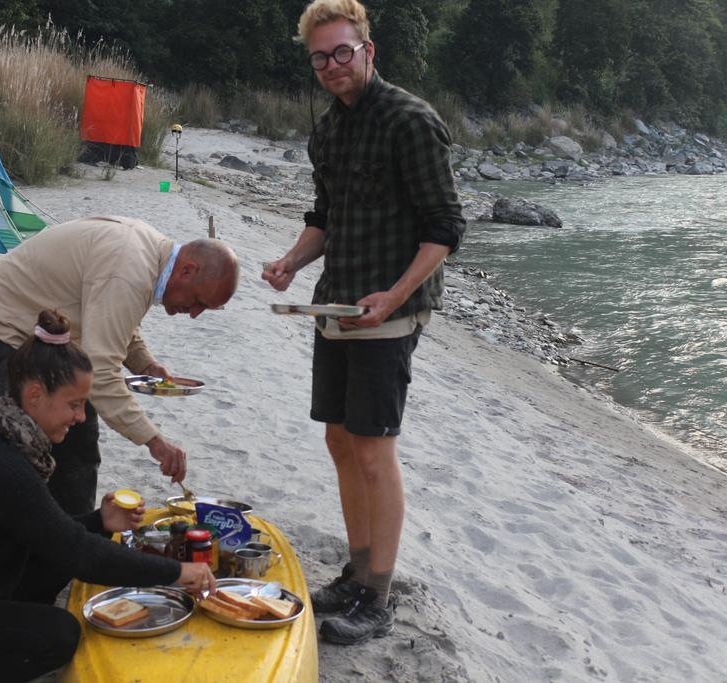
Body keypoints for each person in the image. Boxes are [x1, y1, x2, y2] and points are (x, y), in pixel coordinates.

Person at [262, 0, 466, 645]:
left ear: (368, 50)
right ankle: (354, 572)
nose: (331, 66)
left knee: (375, 452)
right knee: (340, 442)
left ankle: (376, 595)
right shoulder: (328, 129)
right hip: (335, 303)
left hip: (389, 312)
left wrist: (396, 294)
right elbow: (324, 215)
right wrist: (292, 261)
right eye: (320, 56)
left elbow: (445, 228)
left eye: (341, 51)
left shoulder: (411, 121)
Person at [0, 310, 216, 683]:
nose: (81, 417)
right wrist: (177, 572)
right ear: (35, 395)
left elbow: (49, 534)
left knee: (55, 561)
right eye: (74, 404)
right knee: (59, 635)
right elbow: (77, 551)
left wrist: (99, 521)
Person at [0, 215, 240, 515]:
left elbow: (114, 320)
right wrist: (154, 441)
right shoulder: (129, 270)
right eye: (198, 301)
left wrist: (146, 364)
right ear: (187, 270)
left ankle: (74, 534)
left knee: (79, 442)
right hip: (1, 323)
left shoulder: (148, 257)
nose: (194, 313)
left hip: (53, 335)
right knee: (18, 446)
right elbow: (102, 372)